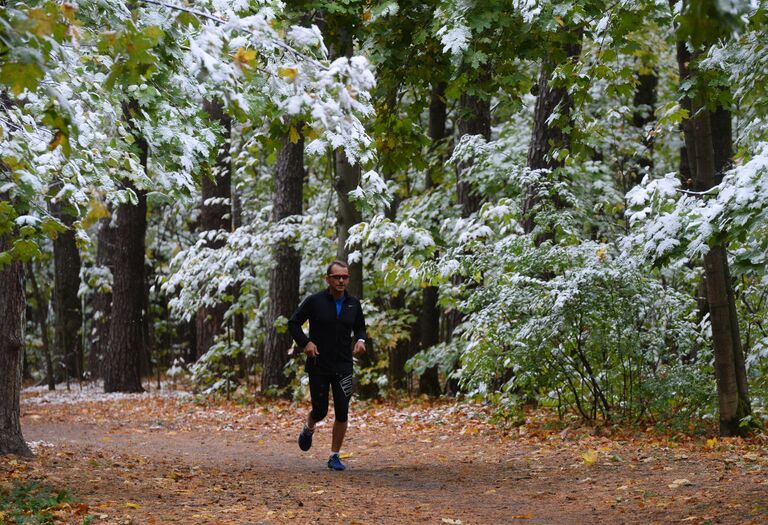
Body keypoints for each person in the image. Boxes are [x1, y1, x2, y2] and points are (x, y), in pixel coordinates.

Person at [288, 260, 367, 471]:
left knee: (342, 411)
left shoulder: (353, 303)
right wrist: (306, 343)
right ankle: (309, 427)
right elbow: (293, 323)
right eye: (337, 277)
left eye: (345, 277)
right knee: (320, 410)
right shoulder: (314, 301)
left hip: (343, 366)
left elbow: (360, 327)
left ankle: (334, 456)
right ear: (328, 279)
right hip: (319, 364)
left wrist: (361, 340)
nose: (341, 281)